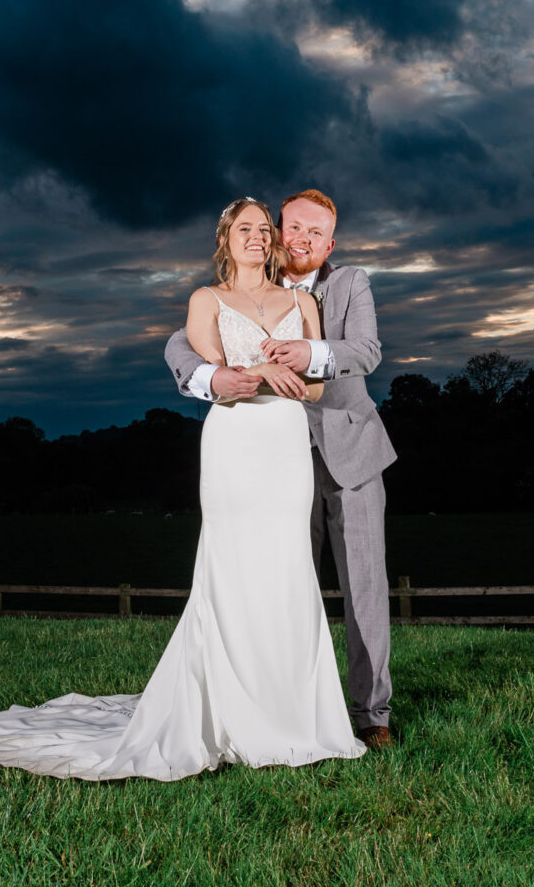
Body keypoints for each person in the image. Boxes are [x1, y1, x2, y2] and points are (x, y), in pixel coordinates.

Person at [0, 198, 366, 780]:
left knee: (289, 565)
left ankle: (295, 714)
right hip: (236, 443)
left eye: (262, 229)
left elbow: (317, 393)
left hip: (286, 445)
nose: (255, 236)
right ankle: (227, 709)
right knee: (233, 566)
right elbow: (223, 379)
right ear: (225, 239)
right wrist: (263, 372)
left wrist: (293, 373)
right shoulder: (205, 301)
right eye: (243, 228)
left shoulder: (302, 302)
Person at [164, 189, 398, 748]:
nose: (302, 240)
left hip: (349, 453)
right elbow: (181, 342)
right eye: (294, 228)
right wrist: (208, 379)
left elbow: (365, 351)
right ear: (278, 228)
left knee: (364, 588)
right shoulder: (227, 289)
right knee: (280, 584)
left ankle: (372, 715)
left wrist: (308, 355)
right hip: (267, 454)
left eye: (317, 234)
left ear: (330, 242)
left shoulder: (348, 284)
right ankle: (284, 705)